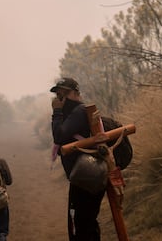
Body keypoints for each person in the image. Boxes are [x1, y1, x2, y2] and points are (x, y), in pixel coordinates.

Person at [50, 77, 105, 241]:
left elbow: (59, 136)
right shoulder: (73, 113)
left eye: (62, 95)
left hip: (87, 176)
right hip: (82, 176)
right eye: (58, 96)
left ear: (75, 93)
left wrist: (57, 112)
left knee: (81, 226)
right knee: (82, 224)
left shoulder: (79, 111)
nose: (59, 100)